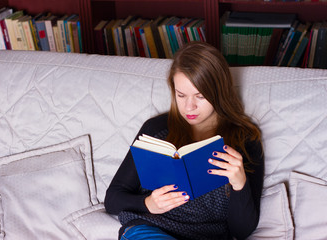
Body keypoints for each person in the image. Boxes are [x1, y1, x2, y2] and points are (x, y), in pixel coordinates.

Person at [104, 42, 264, 240]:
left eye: (200, 96)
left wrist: (240, 184)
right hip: (151, 230)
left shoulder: (245, 140)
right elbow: (112, 199)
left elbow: (241, 231)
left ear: (219, 92)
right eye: (181, 95)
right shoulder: (155, 130)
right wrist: (148, 204)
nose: (190, 107)